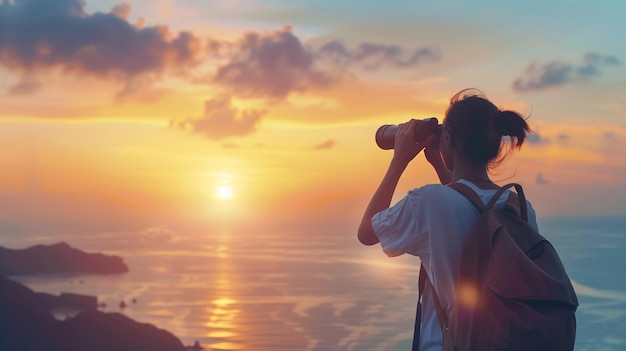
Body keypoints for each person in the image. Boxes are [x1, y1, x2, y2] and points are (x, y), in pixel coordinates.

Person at [357, 88, 536, 351]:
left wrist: (399, 160)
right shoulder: (520, 207)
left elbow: (368, 232)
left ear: (448, 138)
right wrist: (443, 167)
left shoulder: (429, 202)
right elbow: (470, 206)